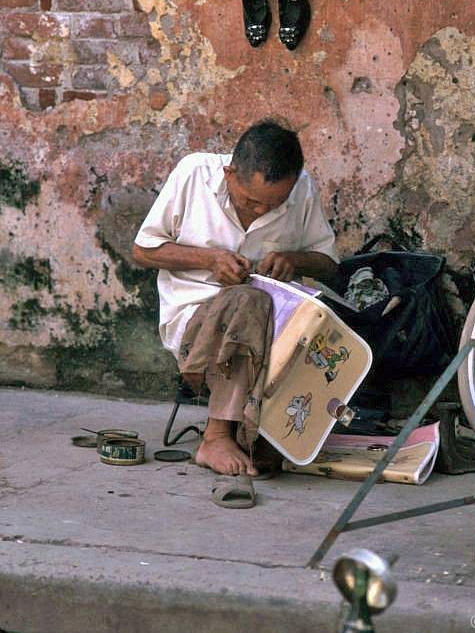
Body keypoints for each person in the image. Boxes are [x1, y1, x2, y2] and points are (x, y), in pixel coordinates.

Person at [132, 120, 338, 480]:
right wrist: (210, 259)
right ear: (230, 173)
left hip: (272, 328)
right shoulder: (194, 174)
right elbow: (143, 250)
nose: (261, 211)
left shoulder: (302, 188)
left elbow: (330, 264)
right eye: (252, 201)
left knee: (312, 318)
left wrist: (294, 259)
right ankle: (215, 436)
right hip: (196, 320)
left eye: (274, 206)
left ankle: (260, 433)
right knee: (248, 302)